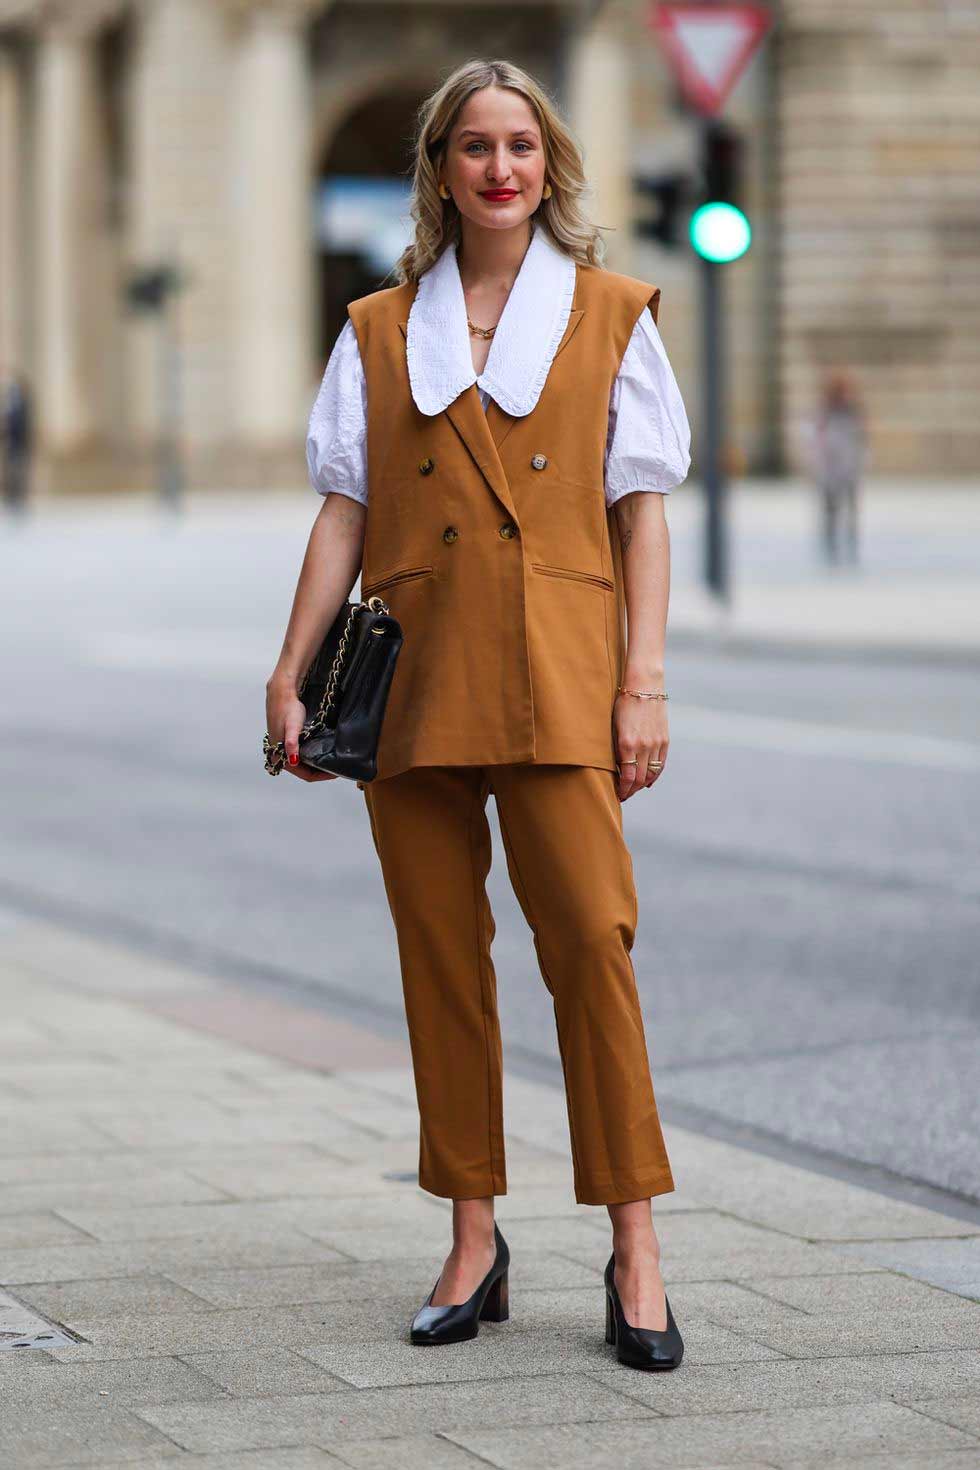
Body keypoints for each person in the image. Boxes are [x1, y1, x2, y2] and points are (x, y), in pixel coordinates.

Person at [265, 59, 691, 1372]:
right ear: (442, 169)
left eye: (520, 145)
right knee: (440, 960)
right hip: (416, 673)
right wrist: (290, 670)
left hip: (564, 666)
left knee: (591, 944)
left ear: (547, 165)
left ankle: (636, 1244)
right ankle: (471, 1235)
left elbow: (642, 510)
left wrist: (644, 677)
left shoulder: (615, 315)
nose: (499, 167)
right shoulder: (381, 329)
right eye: (474, 146)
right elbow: (344, 507)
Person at [809, 367, 867, 565]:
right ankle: (831, 546)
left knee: (849, 510)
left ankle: (849, 545)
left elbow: (860, 438)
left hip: (848, 467)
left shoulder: (852, 411)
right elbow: (816, 440)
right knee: (831, 511)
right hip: (830, 469)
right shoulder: (825, 413)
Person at [1, 367, 33, 515]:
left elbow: (23, 425)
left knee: (18, 470)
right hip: (11, 444)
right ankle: (12, 499)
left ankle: (18, 499)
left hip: (19, 443)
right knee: (12, 471)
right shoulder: (10, 404)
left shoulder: (22, 403)